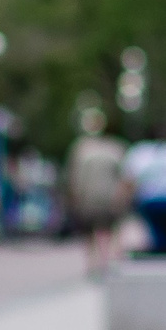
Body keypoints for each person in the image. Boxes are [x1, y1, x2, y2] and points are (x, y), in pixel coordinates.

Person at [65, 109, 128, 270]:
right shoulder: (81, 147)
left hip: (109, 196)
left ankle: (108, 261)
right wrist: (74, 195)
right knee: (89, 231)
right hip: (88, 197)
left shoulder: (114, 147)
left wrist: (121, 196)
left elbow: (123, 176)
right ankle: (93, 263)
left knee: (110, 229)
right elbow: (74, 175)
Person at [120, 132, 166, 254]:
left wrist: (127, 199)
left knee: (157, 231)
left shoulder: (140, 152)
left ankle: (162, 250)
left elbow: (130, 179)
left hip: (149, 199)